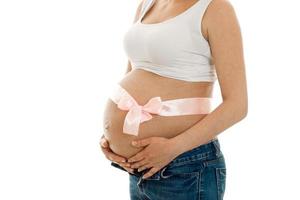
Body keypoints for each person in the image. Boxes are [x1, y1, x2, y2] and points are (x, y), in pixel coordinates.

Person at [100, 0, 247, 199]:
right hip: (137, 169)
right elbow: (133, 72)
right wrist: (111, 139)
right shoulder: (147, 4)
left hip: (185, 167)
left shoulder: (215, 8)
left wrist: (172, 148)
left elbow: (237, 105)